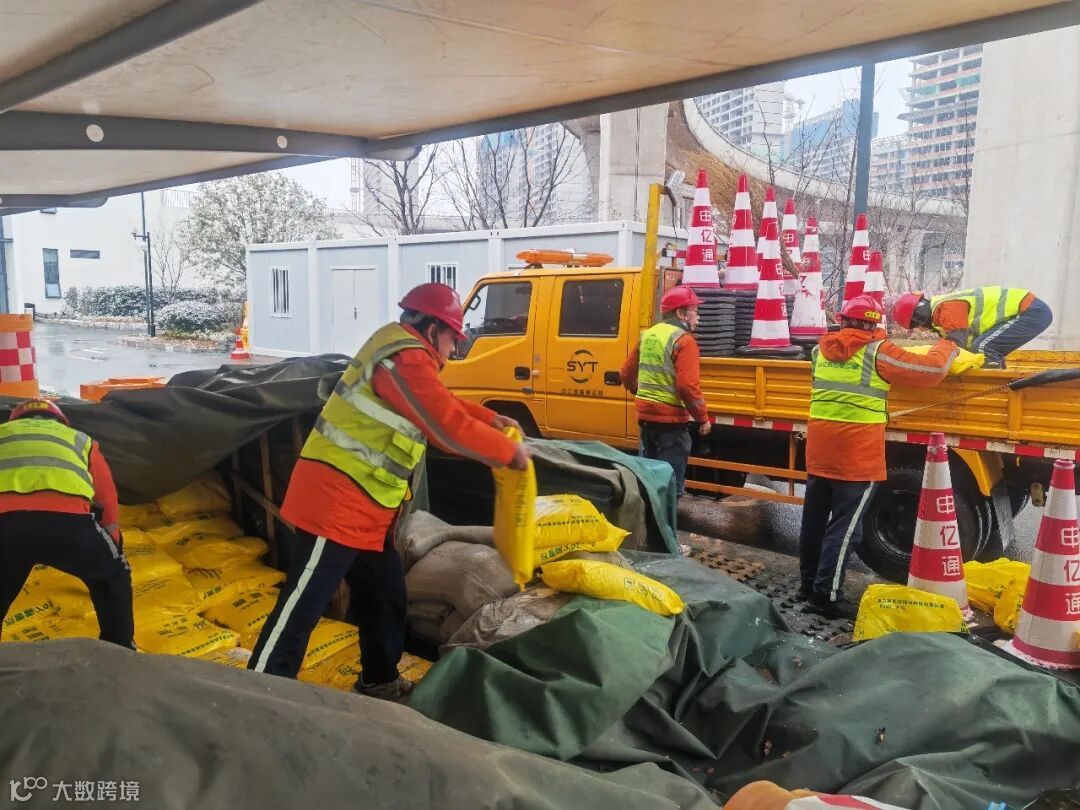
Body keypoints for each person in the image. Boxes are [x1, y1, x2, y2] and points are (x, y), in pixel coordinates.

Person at [248, 283, 529, 700]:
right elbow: (442, 423)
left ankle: (379, 681)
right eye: (453, 337)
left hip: (369, 509)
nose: (454, 348)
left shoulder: (407, 357)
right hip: (335, 501)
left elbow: (441, 402)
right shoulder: (404, 357)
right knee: (303, 602)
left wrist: (490, 420)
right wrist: (506, 453)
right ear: (432, 330)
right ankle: (254, 692)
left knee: (386, 596)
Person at [799, 294, 956, 618]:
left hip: (820, 451)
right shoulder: (878, 352)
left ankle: (808, 585)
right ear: (874, 324)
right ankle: (825, 597)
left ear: (842, 319)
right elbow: (932, 370)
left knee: (814, 522)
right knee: (846, 529)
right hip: (856, 456)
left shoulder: (818, 352)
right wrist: (949, 345)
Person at [0, 399, 132, 648]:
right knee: (113, 577)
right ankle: (120, 648)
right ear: (61, 421)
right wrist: (112, 537)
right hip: (69, 524)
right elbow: (105, 493)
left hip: (5, 525)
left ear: (14, 420)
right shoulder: (80, 439)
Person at [621, 285, 711, 496]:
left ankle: (648, 518)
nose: (698, 317)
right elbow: (687, 387)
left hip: (646, 420)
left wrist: (641, 392)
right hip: (671, 424)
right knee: (670, 488)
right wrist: (703, 419)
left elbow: (626, 375)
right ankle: (666, 519)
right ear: (680, 313)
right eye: (694, 311)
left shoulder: (648, 335)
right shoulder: (684, 340)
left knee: (649, 483)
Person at [892, 287, 1052, 369]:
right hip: (1030, 310)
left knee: (983, 348)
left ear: (918, 317)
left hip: (1031, 311)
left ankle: (995, 392)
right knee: (978, 350)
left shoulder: (947, 308)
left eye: (917, 327)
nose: (921, 330)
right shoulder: (941, 313)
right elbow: (964, 347)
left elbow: (956, 344)